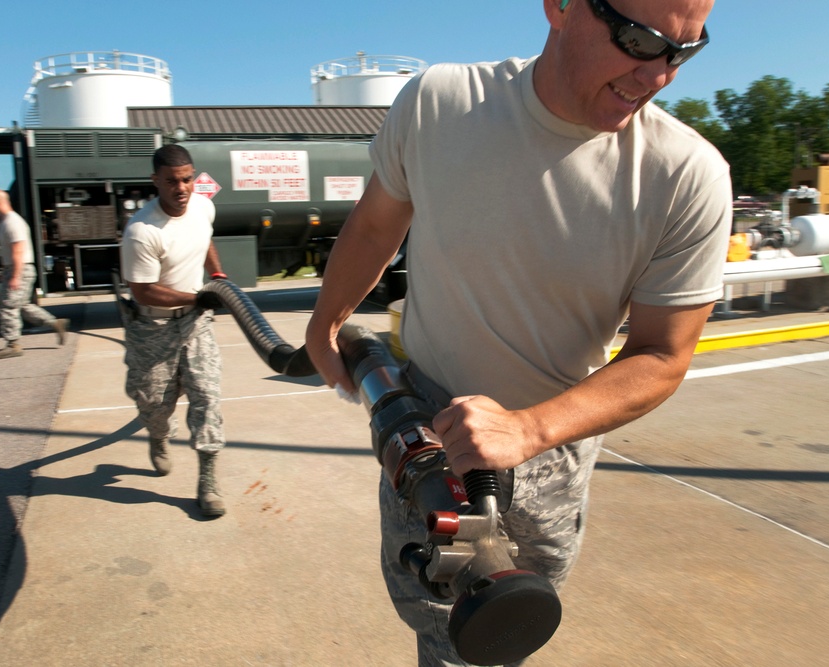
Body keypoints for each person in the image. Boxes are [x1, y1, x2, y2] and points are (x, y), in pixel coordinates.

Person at [305, 0, 729, 664]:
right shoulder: (441, 104)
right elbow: (375, 226)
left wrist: (529, 430)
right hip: (422, 425)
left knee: (502, 634)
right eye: (641, 41)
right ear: (560, 7)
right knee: (438, 629)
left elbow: (662, 355)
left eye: (685, 50)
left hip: (550, 448)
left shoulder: (685, 176)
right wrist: (325, 324)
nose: (659, 76)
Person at [120, 144, 229, 517]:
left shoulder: (202, 206)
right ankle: (158, 434)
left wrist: (217, 276)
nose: (181, 188)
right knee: (153, 404)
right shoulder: (141, 230)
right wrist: (199, 297)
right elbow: (143, 290)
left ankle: (208, 481)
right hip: (153, 328)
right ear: (155, 181)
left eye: (187, 179)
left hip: (195, 324)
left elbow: (205, 239)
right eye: (171, 181)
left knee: (207, 396)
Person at [0, 190, 68, 359]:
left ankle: (13, 344)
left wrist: (15, 275)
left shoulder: (12, 222)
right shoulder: (5, 222)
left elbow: (18, 250)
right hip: (15, 268)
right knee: (22, 305)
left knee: (9, 306)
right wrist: (7, 271)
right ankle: (55, 323)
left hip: (20, 268)